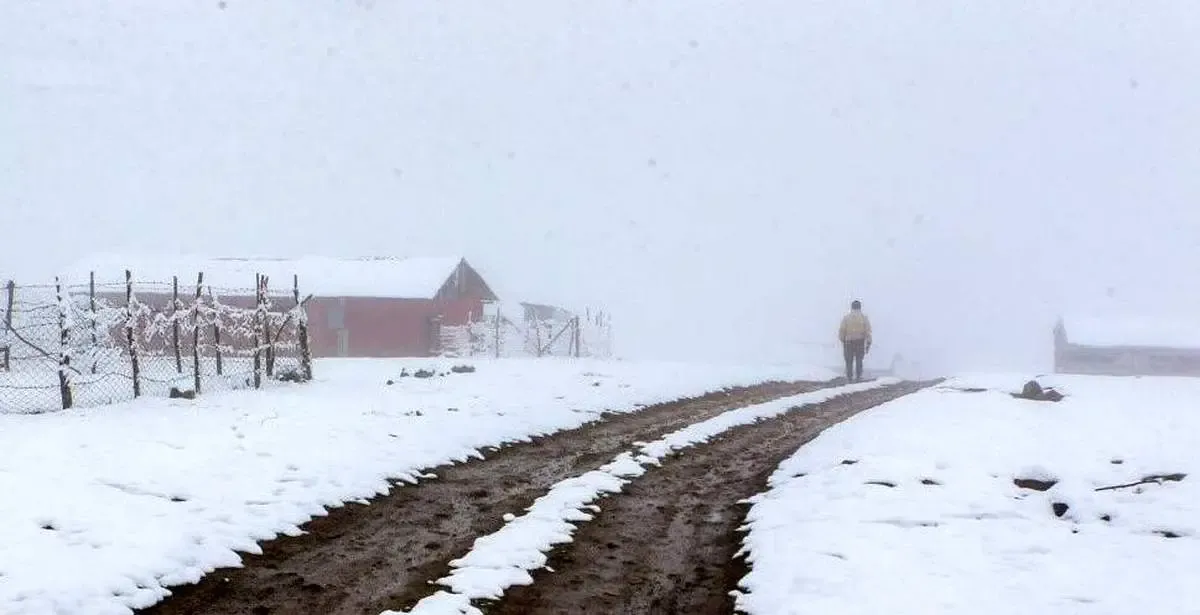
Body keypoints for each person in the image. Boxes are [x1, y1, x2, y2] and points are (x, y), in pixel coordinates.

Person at [838, 300, 872, 382]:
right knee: (859, 360)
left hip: (848, 342)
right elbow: (868, 331)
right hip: (860, 341)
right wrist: (868, 342)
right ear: (860, 307)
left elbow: (842, 330)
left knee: (849, 360)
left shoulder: (846, 318)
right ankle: (858, 376)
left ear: (851, 307)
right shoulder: (864, 318)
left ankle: (849, 377)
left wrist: (843, 340)